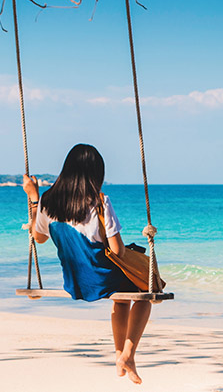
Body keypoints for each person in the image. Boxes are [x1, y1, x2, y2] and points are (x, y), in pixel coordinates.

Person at [23, 143, 151, 384]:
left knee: (121, 298)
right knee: (149, 290)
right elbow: (117, 251)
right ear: (96, 173)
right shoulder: (100, 201)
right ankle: (128, 355)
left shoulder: (47, 201)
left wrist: (33, 197)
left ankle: (119, 357)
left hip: (75, 282)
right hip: (101, 277)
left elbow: (38, 238)